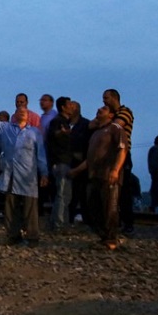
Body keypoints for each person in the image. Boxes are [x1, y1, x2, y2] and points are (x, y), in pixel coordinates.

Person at [0, 87, 48, 245]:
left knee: (30, 208)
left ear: (28, 114)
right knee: (10, 207)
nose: (21, 111)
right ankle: (13, 235)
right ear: (14, 113)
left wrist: (44, 173)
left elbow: (40, 155)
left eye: (24, 110)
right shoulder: (6, 129)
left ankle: (32, 237)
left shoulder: (34, 133)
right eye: (18, 109)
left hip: (28, 176)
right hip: (11, 175)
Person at [69, 106, 125, 250]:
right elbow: (91, 158)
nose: (99, 109)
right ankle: (103, 237)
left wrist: (115, 169)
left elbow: (122, 149)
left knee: (109, 208)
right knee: (92, 207)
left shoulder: (115, 128)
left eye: (104, 109)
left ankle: (112, 239)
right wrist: (76, 170)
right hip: (94, 176)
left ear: (111, 114)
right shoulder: (96, 133)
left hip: (108, 176)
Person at [102, 89, 135, 233]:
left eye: (106, 98)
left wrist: (104, 121)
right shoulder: (110, 115)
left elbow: (115, 127)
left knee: (124, 189)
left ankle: (128, 223)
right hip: (109, 155)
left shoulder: (125, 112)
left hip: (122, 153)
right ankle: (115, 221)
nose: (104, 101)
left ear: (115, 98)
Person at [46, 97, 76, 230]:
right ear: (63, 107)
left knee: (65, 195)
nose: (72, 107)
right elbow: (53, 136)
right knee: (63, 194)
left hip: (63, 162)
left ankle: (58, 223)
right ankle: (58, 225)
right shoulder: (58, 122)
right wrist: (62, 133)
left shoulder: (64, 122)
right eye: (70, 104)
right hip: (60, 162)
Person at [146, 135, 158, 212]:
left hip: (154, 172)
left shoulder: (153, 149)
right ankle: (154, 206)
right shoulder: (156, 150)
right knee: (156, 189)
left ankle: (153, 206)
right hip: (156, 173)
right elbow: (155, 163)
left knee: (155, 189)